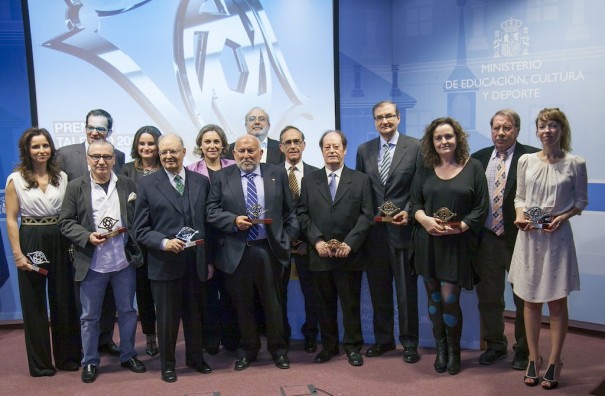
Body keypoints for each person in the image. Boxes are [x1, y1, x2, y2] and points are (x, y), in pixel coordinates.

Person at [508, 108, 588, 390]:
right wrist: (519, 214)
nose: (547, 130)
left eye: (553, 125)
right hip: (529, 238)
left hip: (557, 239)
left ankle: (555, 360)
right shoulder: (526, 160)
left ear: (561, 129)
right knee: (530, 301)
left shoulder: (576, 163)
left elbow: (580, 202)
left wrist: (562, 217)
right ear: (537, 130)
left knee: (556, 302)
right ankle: (533, 357)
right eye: (542, 125)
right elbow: (519, 196)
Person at [206, 135, 298, 371]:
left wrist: (286, 239)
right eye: (241, 151)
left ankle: (278, 350)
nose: (246, 155)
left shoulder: (276, 173)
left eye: (251, 151)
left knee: (273, 303)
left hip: (269, 249)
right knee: (242, 304)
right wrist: (233, 220)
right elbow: (211, 211)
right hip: (237, 251)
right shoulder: (221, 177)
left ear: (260, 153)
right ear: (233, 154)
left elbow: (290, 213)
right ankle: (249, 350)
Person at [58, 140, 146, 383]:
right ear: (88, 158)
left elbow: (137, 218)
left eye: (106, 156)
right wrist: (86, 236)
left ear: (114, 159)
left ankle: (128, 355)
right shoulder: (76, 187)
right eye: (96, 156)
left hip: (123, 261)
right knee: (89, 316)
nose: (101, 161)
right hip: (92, 261)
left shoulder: (127, 184)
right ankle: (90, 361)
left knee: (128, 312)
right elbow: (65, 222)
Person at [410, 117, 488, 375]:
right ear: (431, 142)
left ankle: (454, 351)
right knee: (433, 299)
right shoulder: (424, 167)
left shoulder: (474, 166)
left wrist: (461, 226)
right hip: (428, 242)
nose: (444, 141)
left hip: (457, 245)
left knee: (449, 299)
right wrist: (424, 220)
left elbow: (480, 207)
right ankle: (441, 350)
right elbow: (415, 204)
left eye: (448, 136)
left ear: (458, 139)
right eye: (438, 138)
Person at [133, 134, 213, 383]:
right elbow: (140, 229)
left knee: (195, 314)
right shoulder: (147, 184)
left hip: (196, 261)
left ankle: (195, 359)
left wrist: (208, 259)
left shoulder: (201, 181)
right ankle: (168, 365)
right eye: (163, 152)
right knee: (167, 319)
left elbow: (208, 225)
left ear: (184, 151)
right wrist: (164, 242)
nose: (168, 156)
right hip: (164, 262)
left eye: (173, 151)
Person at [5, 128, 81, 377]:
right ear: (27, 150)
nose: (41, 151)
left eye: (45, 145)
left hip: (60, 238)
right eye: (36, 146)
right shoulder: (15, 179)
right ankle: (40, 364)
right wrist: (18, 254)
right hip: (32, 238)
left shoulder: (62, 177)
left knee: (64, 300)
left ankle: (67, 358)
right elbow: (12, 219)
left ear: (52, 148)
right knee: (34, 304)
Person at [297, 130, 373, 367]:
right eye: (327, 146)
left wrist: (349, 243)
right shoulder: (309, 180)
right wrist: (317, 241)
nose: (331, 150)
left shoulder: (360, 179)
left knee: (350, 305)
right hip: (320, 255)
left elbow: (366, 215)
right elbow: (302, 214)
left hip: (349, 255)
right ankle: (329, 347)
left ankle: (352, 347)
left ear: (345, 149)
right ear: (321, 150)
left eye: (336, 146)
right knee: (324, 305)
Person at [472, 109, 539, 370]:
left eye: (507, 128)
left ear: (517, 131)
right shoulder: (477, 159)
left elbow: (540, 196)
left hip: (522, 238)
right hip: (487, 239)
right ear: (491, 130)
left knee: (524, 298)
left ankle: (524, 349)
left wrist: (536, 223)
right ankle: (495, 345)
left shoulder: (532, 157)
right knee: (489, 297)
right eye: (496, 127)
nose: (501, 132)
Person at [355, 100, 422, 363]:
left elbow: (420, 187)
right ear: (374, 121)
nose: (384, 121)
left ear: (398, 118)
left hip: (403, 230)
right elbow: (360, 189)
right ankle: (384, 340)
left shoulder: (415, 147)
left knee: (406, 291)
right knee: (379, 290)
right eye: (379, 117)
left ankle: (409, 343)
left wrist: (408, 209)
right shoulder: (364, 150)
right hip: (374, 234)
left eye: (389, 116)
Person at [56, 108, 125, 356]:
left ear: (109, 132)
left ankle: (106, 339)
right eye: (91, 127)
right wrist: (83, 237)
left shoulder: (118, 154)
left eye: (101, 128)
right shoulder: (65, 155)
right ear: (85, 127)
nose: (95, 132)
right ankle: (85, 349)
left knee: (109, 300)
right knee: (85, 303)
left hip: (114, 245)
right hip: (81, 245)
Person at [186, 124, 240, 354]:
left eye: (216, 141)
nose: (212, 146)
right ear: (200, 145)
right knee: (207, 293)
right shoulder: (190, 170)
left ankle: (231, 339)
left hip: (230, 237)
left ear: (223, 145)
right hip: (204, 239)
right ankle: (210, 339)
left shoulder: (234, 167)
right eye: (207, 141)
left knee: (230, 292)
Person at [120, 126, 162, 357]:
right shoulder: (126, 170)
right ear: (136, 146)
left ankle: (167, 333)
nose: (146, 148)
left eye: (151, 143)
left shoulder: (167, 166)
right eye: (142, 144)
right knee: (144, 293)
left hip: (164, 239)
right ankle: (150, 336)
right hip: (137, 242)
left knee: (165, 292)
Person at [278, 125, 320, 352]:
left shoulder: (316, 174)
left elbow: (319, 213)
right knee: (278, 295)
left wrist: (307, 240)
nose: (293, 146)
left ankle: (311, 334)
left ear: (304, 145)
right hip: (279, 246)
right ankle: (281, 335)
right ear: (281, 147)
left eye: (297, 141)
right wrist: (284, 240)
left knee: (311, 295)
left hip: (309, 246)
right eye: (288, 142)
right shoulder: (271, 174)